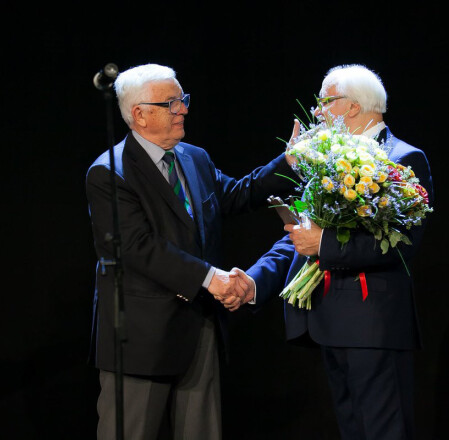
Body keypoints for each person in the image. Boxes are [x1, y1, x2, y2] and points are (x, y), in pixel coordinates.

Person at [85, 63, 297, 440]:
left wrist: (289, 163)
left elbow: (238, 194)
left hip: (200, 328)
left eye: (183, 99)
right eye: (172, 103)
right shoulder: (109, 173)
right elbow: (138, 248)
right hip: (141, 340)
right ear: (140, 114)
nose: (183, 108)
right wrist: (210, 278)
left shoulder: (193, 157)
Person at [244, 64, 434, 440]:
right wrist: (253, 281)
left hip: (373, 324)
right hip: (328, 321)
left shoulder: (403, 158)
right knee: (352, 430)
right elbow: (298, 238)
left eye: (324, 101)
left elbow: (403, 245)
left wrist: (325, 244)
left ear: (351, 107)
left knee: (384, 431)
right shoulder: (326, 161)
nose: (316, 112)